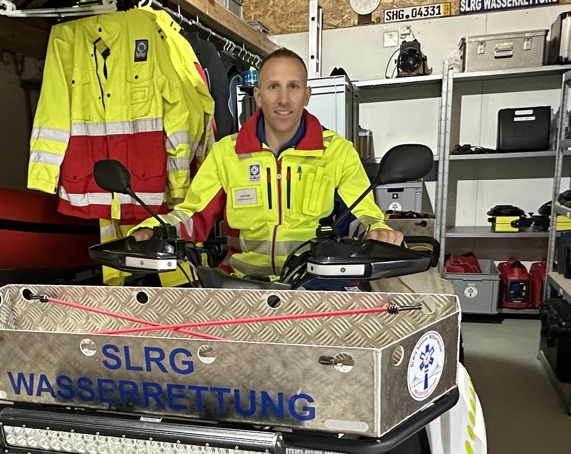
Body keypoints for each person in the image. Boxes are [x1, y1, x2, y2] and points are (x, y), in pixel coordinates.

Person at [130, 48, 403, 280]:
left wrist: (376, 232)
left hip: (315, 283)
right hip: (241, 285)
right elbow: (193, 216)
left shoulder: (337, 153)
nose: (283, 99)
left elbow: (360, 216)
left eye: (293, 87)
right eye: (274, 87)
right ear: (258, 95)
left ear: (306, 95)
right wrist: (157, 230)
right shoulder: (227, 153)